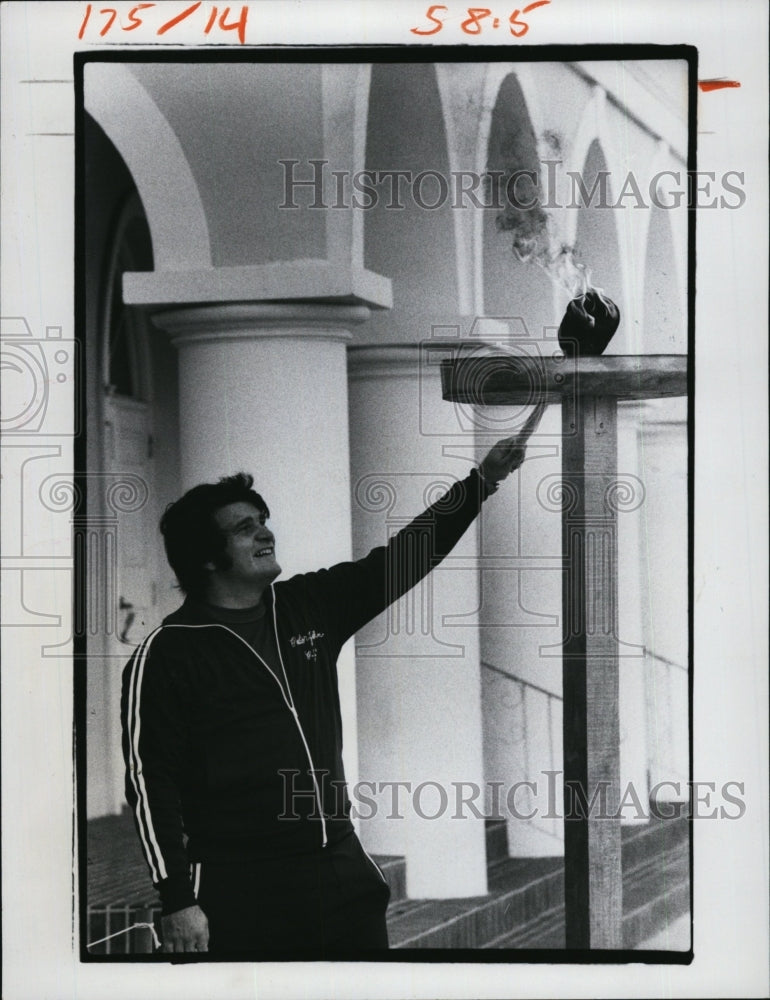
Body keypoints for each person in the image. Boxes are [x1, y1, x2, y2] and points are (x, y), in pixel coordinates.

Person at [121, 405, 545, 958]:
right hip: (240, 887)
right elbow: (150, 784)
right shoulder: (167, 654)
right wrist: (177, 899)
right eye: (245, 528)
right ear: (206, 557)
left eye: (263, 520)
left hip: (339, 870)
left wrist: (482, 480)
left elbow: (404, 559)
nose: (265, 532)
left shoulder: (307, 605)